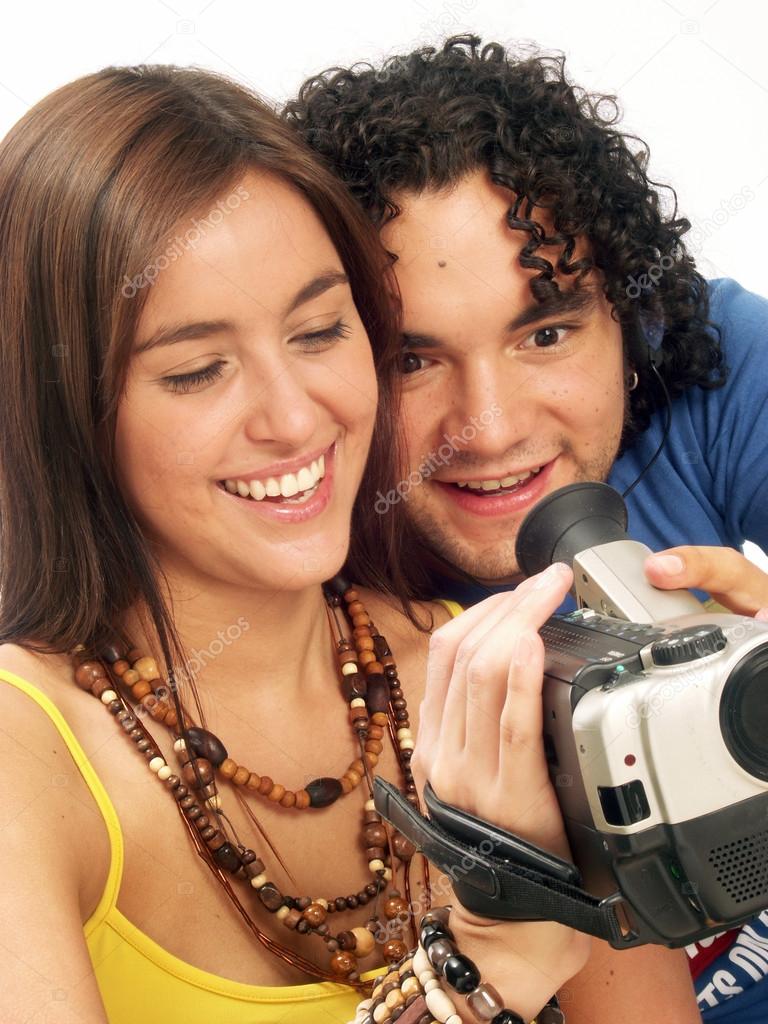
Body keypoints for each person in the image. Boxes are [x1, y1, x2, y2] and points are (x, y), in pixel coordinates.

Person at [0, 61, 684, 1024]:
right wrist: (482, 975)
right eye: (198, 371)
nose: (294, 418)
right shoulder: (24, 758)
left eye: (321, 331)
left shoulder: (496, 673)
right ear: (63, 408)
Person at [285, 33, 768, 1021]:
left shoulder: (711, 360)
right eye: (412, 359)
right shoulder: (311, 594)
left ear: (628, 322)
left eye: (545, 332)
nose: (491, 428)